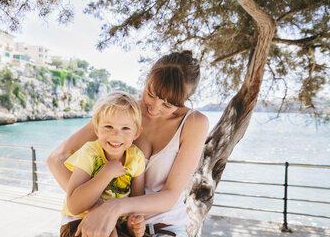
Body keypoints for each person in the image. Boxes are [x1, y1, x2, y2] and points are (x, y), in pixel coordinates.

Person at [48, 51, 209, 237]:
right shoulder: (122, 112)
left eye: (168, 105)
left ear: (185, 99)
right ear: (146, 79)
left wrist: (114, 208)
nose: (154, 108)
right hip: (104, 222)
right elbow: (57, 159)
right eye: (150, 94)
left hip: (163, 226)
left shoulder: (195, 123)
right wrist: (97, 208)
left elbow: (170, 195)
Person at [59, 91, 146, 237]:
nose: (116, 135)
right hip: (79, 221)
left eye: (125, 128)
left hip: (117, 224)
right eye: (108, 127)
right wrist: (106, 173)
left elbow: (137, 202)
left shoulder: (137, 158)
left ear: (136, 133)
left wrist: (135, 224)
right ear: (96, 130)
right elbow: (74, 205)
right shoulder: (89, 153)